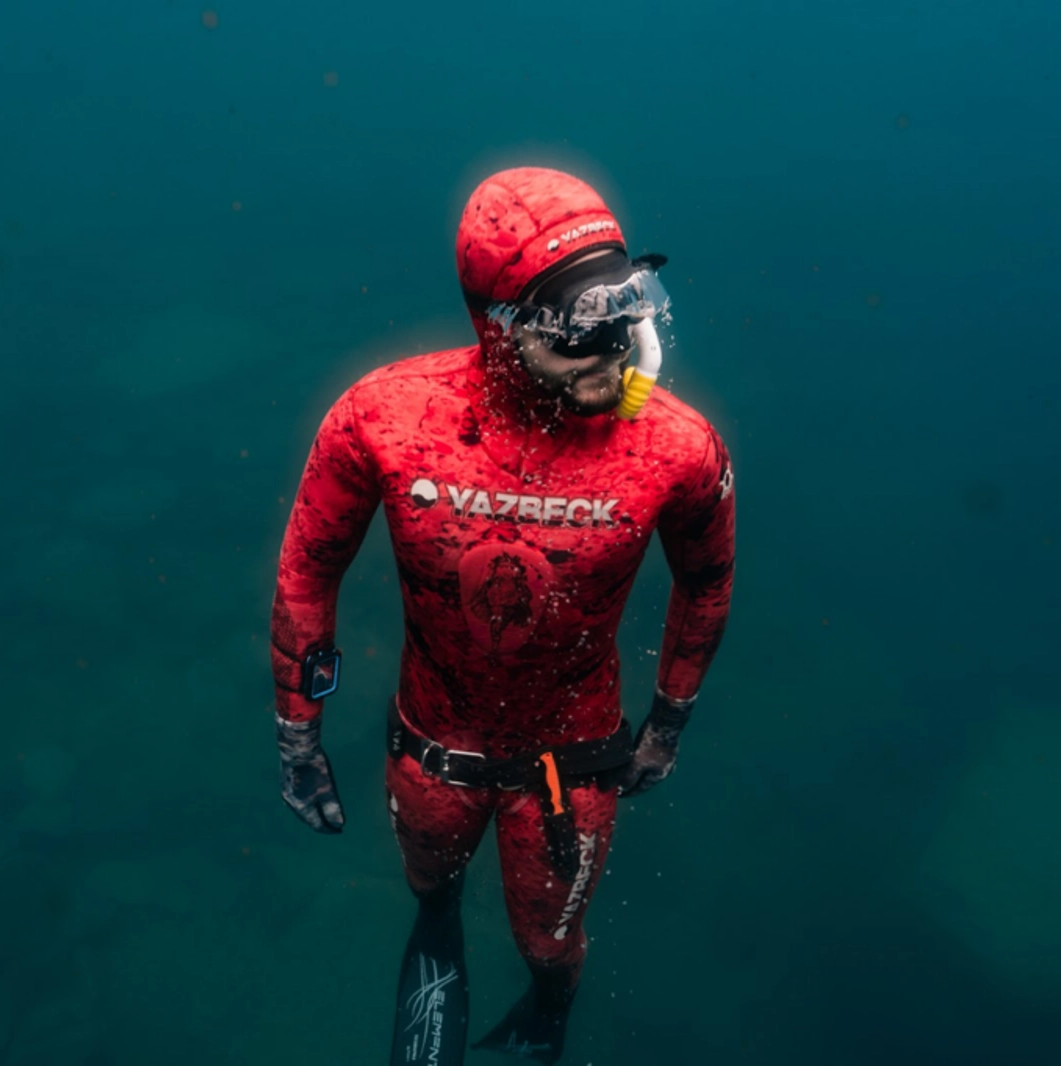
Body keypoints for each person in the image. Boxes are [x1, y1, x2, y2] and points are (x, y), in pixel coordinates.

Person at [270, 166, 736, 1064]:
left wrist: (667, 724)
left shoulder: (674, 447)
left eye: (627, 312)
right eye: (579, 333)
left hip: (571, 763)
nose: (613, 351)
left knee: (550, 943)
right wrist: (297, 732)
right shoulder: (385, 420)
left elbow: (706, 582)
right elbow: (307, 570)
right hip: (433, 746)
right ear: (502, 324)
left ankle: (548, 1008)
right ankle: (440, 928)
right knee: (429, 884)